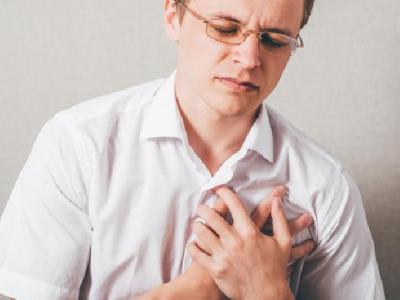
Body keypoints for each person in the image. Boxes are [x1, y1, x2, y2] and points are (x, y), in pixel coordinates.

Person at [0, 0, 385, 299]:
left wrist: (267, 293)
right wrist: (194, 292)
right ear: (172, 15)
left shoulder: (326, 190)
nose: (249, 59)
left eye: (273, 39)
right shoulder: (78, 148)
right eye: (225, 28)